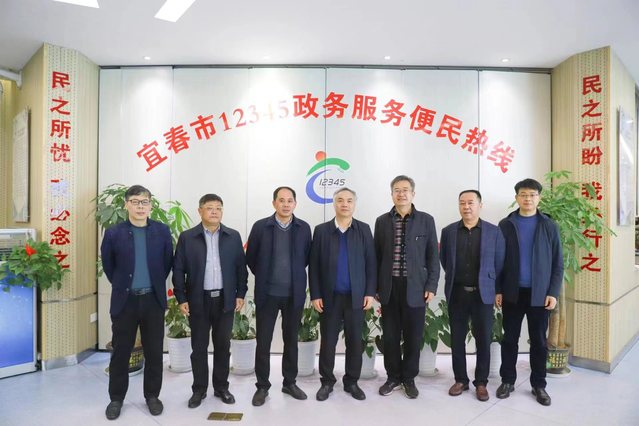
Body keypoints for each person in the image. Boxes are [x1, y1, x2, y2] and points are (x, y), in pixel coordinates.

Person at [101, 185, 173, 420]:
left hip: (153, 300)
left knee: (154, 351)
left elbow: (166, 264)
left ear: (150, 205)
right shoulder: (114, 233)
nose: (140, 206)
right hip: (126, 301)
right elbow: (109, 266)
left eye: (144, 202)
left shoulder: (162, 231)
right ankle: (116, 399)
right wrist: (125, 285)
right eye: (135, 202)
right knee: (121, 352)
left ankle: (152, 396)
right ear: (126, 205)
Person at [172, 194, 248, 409]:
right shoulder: (188, 237)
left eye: (218, 208)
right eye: (209, 208)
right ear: (200, 211)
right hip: (198, 300)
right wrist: (181, 297)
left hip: (225, 300)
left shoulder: (232, 236)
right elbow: (178, 269)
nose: (215, 211)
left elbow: (241, 268)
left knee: (223, 346)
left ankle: (221, 387)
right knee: (199, 348)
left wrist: (240, 293)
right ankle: (199, 389)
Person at [496, 178, 563, 406]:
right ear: (516, 198)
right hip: (512, 293)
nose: (528, 199)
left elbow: (558, 263)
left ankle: (539, 384)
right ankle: (507, 381)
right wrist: (498, 289)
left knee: (538, 341)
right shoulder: (506, 224)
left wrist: (553, 292)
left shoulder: (549, 225)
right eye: (523, 195)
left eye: (532, 195)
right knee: (509, 339)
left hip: (539, 295)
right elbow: (498, 260)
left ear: (539, 198)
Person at [374, 175, 439, 399]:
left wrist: (431, 285)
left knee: (413, 336)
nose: (401, 194)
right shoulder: (382, 221)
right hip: (389, 287)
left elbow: (433, 256)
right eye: (397, 190)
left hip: (416, 288)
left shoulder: (426, 220)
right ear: (391, 193)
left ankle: (409, 378)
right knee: (390, 336)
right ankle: (393, 377)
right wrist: (375, 287)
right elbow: (376, 256)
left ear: (413, 193)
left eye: (405, 190)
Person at [246, 186, 312, 406]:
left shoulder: (304, 228)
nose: (285, 204)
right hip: (268, 294)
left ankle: (289, 382)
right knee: (263, 342)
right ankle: (262, 386)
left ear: (295, 204)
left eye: (289, 200)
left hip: (293, 295)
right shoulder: (260, 227)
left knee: (291, 340)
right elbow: (251, 258)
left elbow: (305, 258)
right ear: (274, 203)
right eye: (281, 200)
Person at [309, 188, 376, 401]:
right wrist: (315, 294)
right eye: (340, 200)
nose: (344, 204)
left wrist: (370, 292)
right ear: (334, 204)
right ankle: (327, 382)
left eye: (349, 201)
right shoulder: (322, 231)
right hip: (330, 297)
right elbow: (314, 265)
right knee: (328, 342)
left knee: (355, 341)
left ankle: (352, 382)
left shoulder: (363, 229)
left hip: (356, 297)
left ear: (354, 204)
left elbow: (371, 263)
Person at [440, 190, 505, 401]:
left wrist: (494, 287)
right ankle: (461, 380)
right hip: (457, 293)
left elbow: (499, 263)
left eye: (470, 202)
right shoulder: (448, 231)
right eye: (462, 203)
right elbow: (445, 260)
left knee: (483, 339)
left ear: (480, 205)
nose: (466, 207)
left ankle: (481, 382)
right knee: (457, 339)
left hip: (482, 295)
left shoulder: (494, 232)